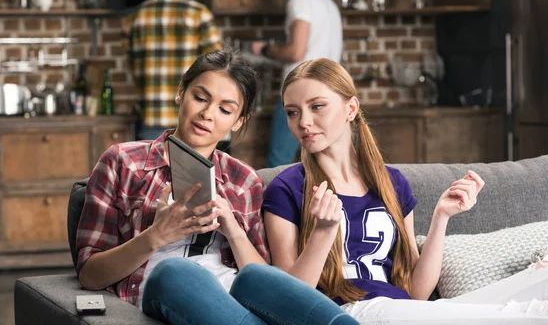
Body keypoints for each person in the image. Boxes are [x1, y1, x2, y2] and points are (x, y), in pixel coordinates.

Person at [262, 58, 548, 323]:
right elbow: (289, 301)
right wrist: (323, 232)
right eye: (292, 112)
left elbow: (417, 293)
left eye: (317, 107)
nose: (303, 122)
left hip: (405, 311)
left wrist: (441, 218)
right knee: (538, 315)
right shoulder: (286, 188)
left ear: (351, 108)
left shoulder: (391, 183)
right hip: (351, 314)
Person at [76, 50, 357, 325]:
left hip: (231, 297)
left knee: (258, 278)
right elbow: (90, 274)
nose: (207, 114)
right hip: (165, 287)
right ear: (180, 93)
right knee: (176, 270)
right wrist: (155, 236)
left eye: (225, 110)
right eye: (199, 98)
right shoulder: (123, 161)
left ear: (238, 121)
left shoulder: (244, 180)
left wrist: (233, 230)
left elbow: (264, 282)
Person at [251, 0, 342, 168]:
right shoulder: (327, 2)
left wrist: (264, 49)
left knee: (278, 161)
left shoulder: (300, 1)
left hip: (301, 93)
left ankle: (275, 203)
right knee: (326, 163)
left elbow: (295, 52)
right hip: (329, 93)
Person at [128, 0, 222, 141]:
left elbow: (132, 64)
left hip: (152, 114)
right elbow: (219, 64)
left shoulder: (136, 17)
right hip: (193, 114)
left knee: (153, 169)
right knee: (193, 169)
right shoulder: (198, 12)